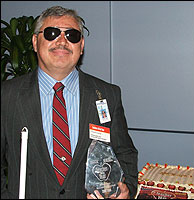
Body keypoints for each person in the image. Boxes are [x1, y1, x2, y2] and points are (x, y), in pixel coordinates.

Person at [1, 6, 138, 199]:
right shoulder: (7, 96)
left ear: (81, 46)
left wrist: (127, 189)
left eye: (71, 35)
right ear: (35, 42)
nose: (62, 41)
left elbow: (125, 152)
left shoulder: (107, 94)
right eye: (52, 33)